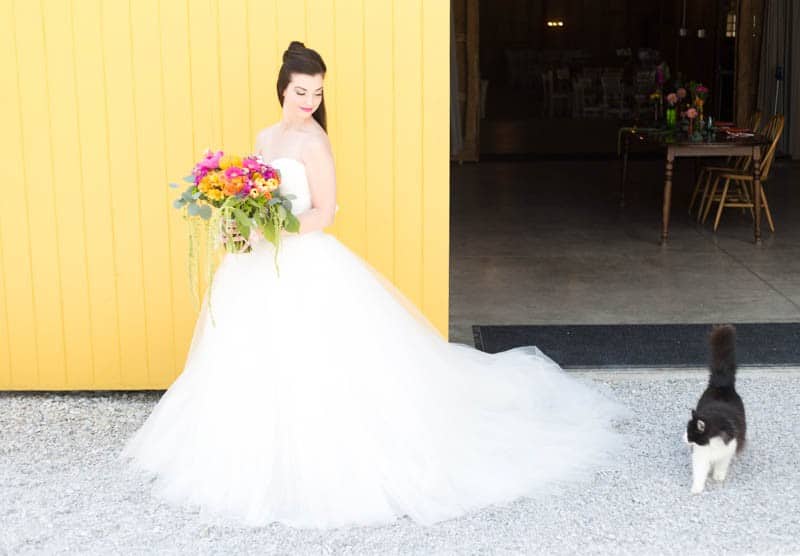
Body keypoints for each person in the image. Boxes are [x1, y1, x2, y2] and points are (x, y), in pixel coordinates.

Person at [120, 41, 626, 530]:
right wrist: (241, 224)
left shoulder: (315, 143)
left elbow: (324, 213)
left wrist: (273, 229)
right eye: (301, 91)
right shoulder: (265, 138)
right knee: (252, 355)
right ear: (282, 89)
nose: (310, 101)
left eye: (317, 92)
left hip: (300, 257)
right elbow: (253, 194)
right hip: (257, 264)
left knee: (316, 363)